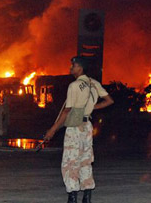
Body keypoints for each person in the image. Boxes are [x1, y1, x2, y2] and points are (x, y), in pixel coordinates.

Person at [44, 56, 114, 203]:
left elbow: (67, 111)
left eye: (74, 65)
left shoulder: (74, 86)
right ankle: (87, 196)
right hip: (87, 125)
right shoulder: (93, 83)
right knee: (86, 160)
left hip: (74, 128)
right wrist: (92, 107)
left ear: (80, 68)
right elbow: (109, 100)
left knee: (70, 161)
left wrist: (53, 129)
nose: (71, 68)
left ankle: (72, 196)